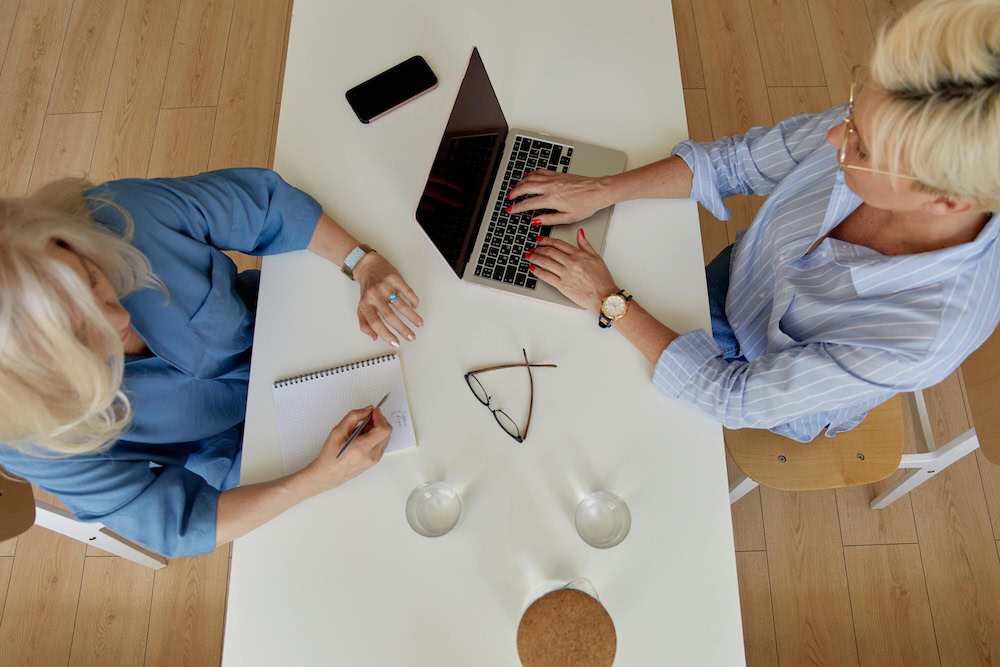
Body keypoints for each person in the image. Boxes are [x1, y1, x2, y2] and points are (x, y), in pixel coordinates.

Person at [507, 0, 999, 442]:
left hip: (752, 371)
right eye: (852, 110)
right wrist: (601, 189)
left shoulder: (920, 338)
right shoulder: (896, 122)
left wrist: (609, 301)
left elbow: (734, 398)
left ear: (947, 201)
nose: (832, 137)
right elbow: (737, 163)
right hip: (740, 279)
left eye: (861, 147)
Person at [0, 169, 423, 557]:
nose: (119, 319)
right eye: (79, 335)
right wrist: (315, 479)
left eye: (91, 280)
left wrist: (361, 262)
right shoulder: (33, 442)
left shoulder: (120, 214)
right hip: (251, 457)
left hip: (294, 323)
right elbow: (178, 525)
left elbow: (267, 206)